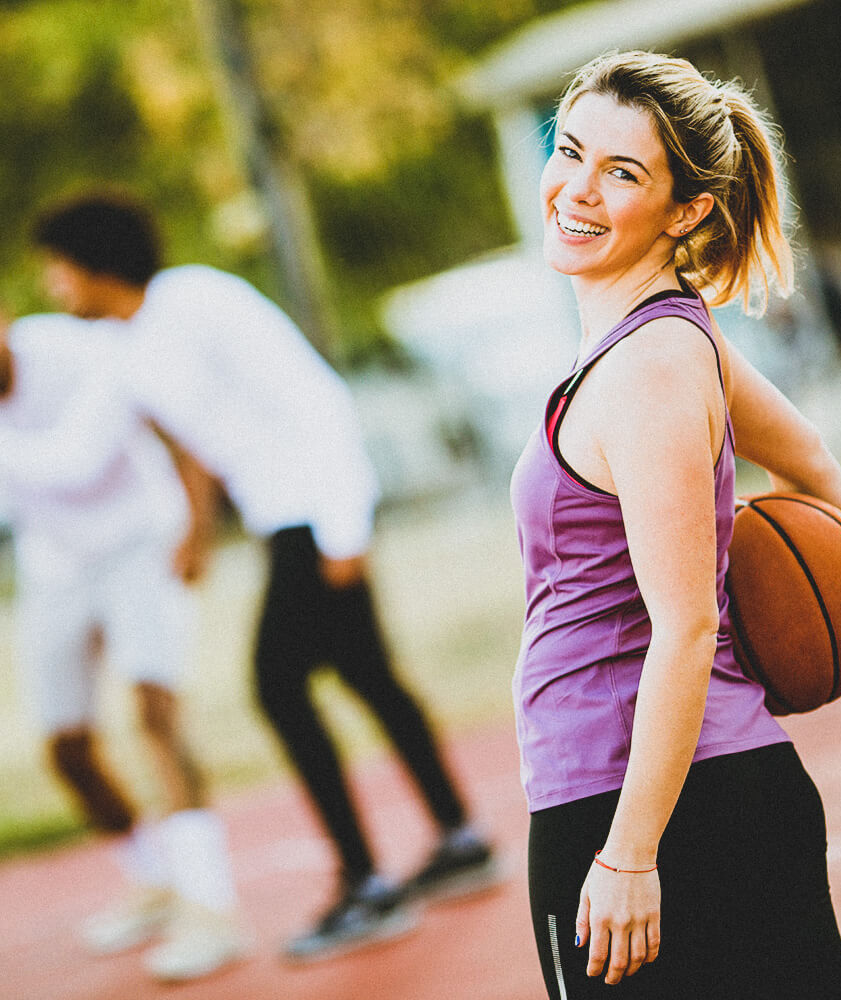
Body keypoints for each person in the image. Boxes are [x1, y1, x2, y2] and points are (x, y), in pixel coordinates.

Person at [508, 52, 841, 999]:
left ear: (686, 210)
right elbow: (812, 461)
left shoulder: (649, 371)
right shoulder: (669, 333)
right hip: (716, 796)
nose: (577, 189)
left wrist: (625, 855)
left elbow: (686, 623)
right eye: (569, 151)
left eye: (622, 173)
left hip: (641, 803)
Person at [0, 193, 499, 961]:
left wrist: (344, 525)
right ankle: (459, 836)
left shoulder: (198, 299)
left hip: (314, 515)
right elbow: (83, 457)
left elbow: (313, 395)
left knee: (278, 688)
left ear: (96, 265)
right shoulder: (124, 350)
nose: (54, 289)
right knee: (367, 674)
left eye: (59, 271)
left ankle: (366, 885)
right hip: (278, 520)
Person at [0, 312, 248, 982]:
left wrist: (198, 525)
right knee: (66, 750)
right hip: (53, 564)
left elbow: (165, 425)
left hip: (140, 542)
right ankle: (157, 880)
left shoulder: (75, 350)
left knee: (155, 715)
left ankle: (211, 910)